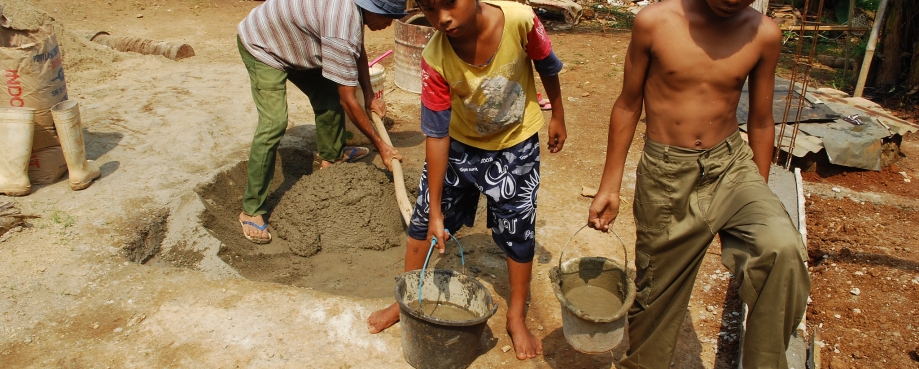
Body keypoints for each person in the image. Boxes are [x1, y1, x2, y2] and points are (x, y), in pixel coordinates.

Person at [586, 0, 811, 367]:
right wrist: (609, 185)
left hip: (732, 166)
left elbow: (761, 120)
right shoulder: (655, 22)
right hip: (667, 174)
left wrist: (761, 192)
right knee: (656, 297)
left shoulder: (764, 33)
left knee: (783, 250)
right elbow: (628, 104)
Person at [366, 0, 566, 360]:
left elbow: (547, 64)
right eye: (429, 10)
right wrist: (438, 209)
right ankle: (406, 300)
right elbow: (437, 134)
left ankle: (517, 318)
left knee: (519, 231)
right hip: (458, 144)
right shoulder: (435, 56)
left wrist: (558, 116)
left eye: (449, 3)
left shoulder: (520, 20)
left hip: (515, 143)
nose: (442, 18)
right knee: (424, 221)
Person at [236, 0, 406, 244]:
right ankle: (251, 209)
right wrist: (382, 146)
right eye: (387, 17)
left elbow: (357, 49)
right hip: (263, 44)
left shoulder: (354, 15)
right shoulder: (341, 28)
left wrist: (369, 95)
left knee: (328, 96)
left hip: (298, 44)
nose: (389, 24)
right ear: (370, 8)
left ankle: (332, 156)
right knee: (274, 123)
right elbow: (348, 100)